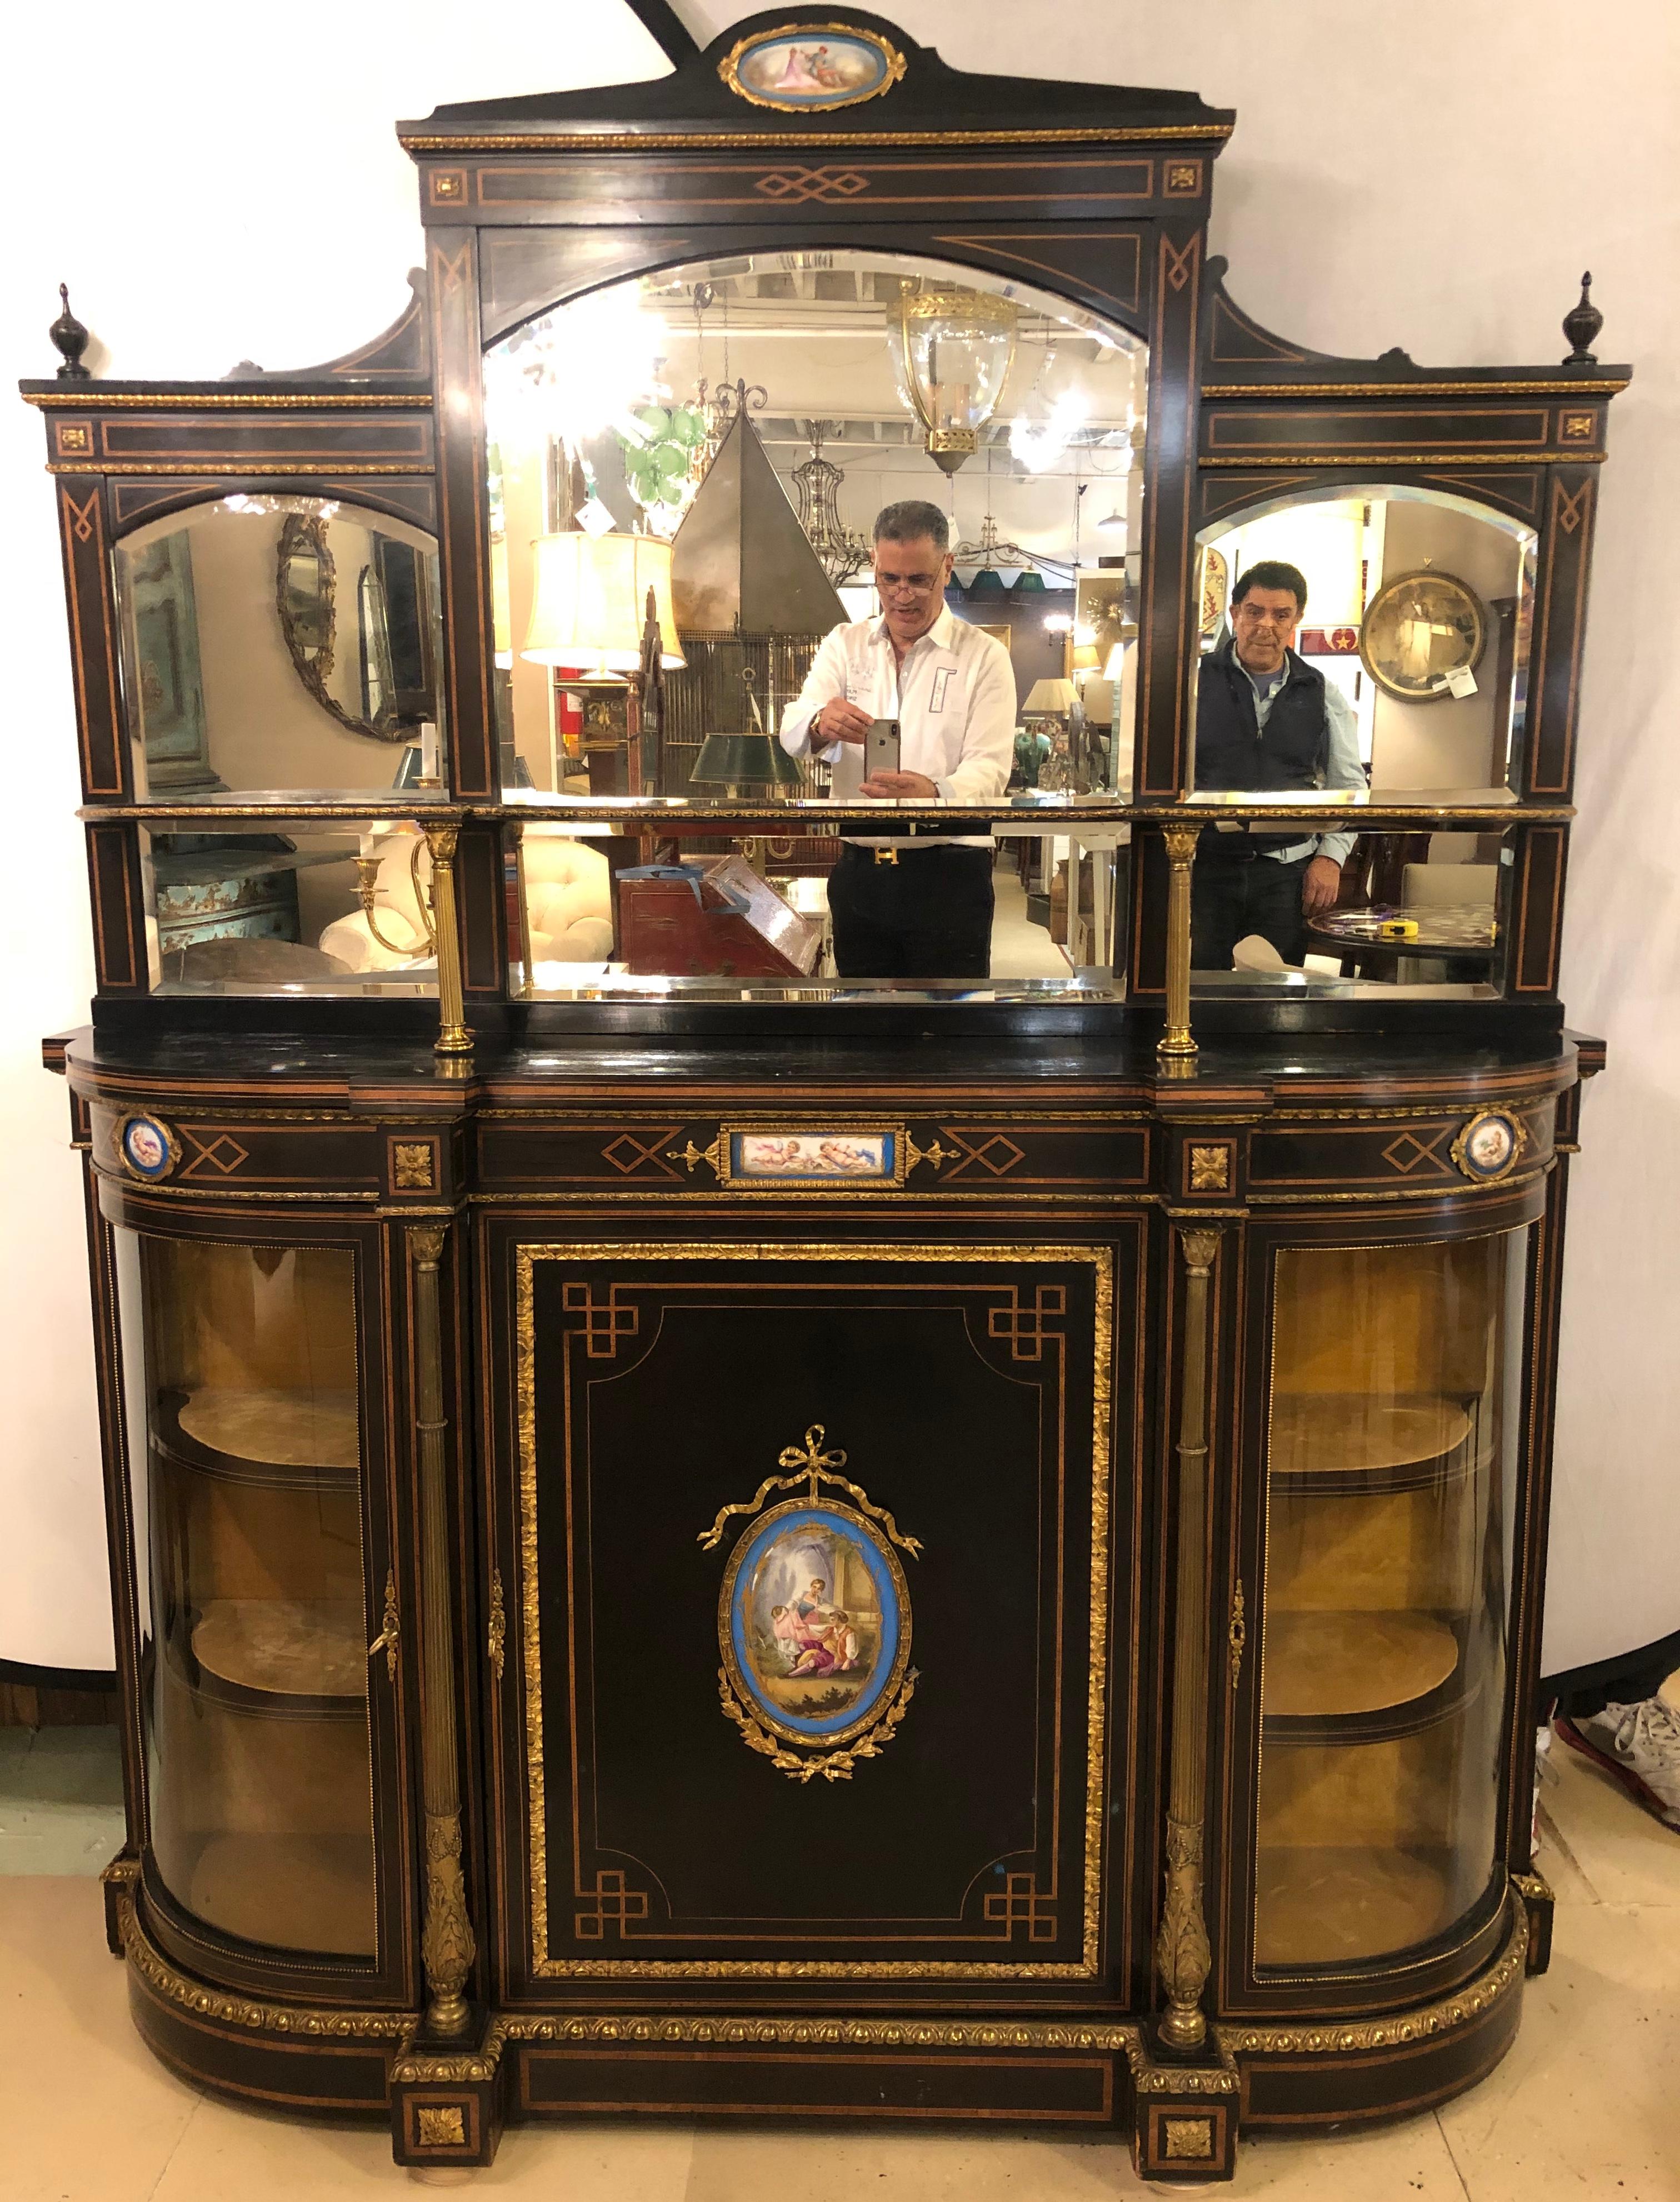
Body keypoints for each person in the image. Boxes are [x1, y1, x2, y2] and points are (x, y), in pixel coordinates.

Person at [781, 499, 1015, 978]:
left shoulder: (984, 656)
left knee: (949, 1029)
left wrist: (934, 794)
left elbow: (991, 769)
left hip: (951, 873)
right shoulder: (844, 644)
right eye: (890, 579)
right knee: (862, 1030)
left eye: (918, 580)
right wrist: (819, 722)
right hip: (860, 872)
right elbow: (791, 729)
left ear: (947, 568)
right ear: (874, 565)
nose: (903, 595)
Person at [1191, 558, 1365, 969]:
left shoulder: (1323, 692)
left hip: (1286, 874)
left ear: (1296, 620)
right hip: (1206, 867)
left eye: (1280, 615)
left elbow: (1348, 785)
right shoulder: (1193, 682)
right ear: (1235, 614)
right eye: (1254, 612)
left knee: (1276, 993)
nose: (1265, 625)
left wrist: (1330, 858)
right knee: (1196, 989)